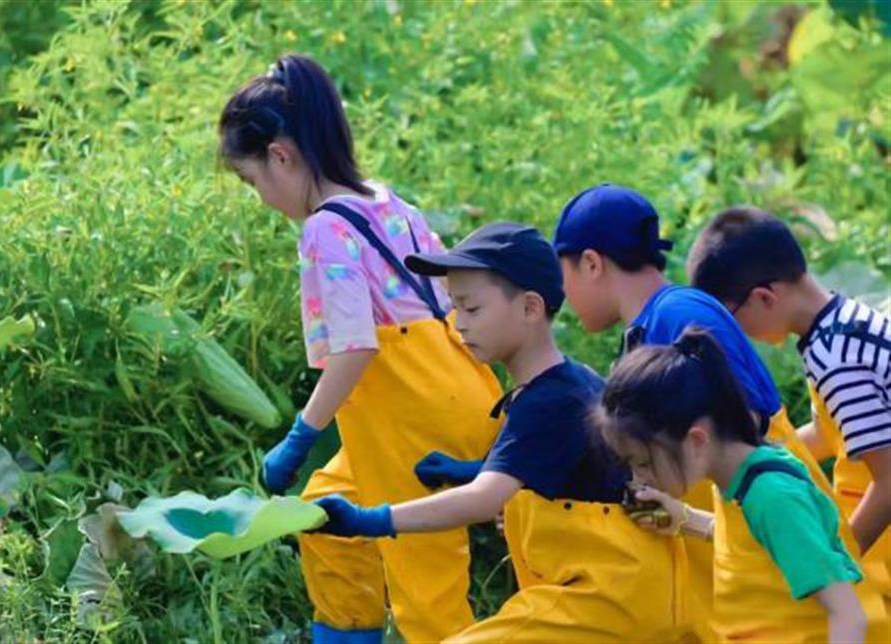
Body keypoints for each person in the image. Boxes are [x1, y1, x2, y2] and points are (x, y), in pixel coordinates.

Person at [218, 54, 502, 643]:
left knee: (426, 590)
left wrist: (300, 436)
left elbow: (355, 350)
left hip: (410, 421)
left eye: (252, 182)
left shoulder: (326, 229)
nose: (260, 197)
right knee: (326, 516)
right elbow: (454, 298)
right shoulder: (388, 203)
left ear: (281, 156)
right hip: (455, 392)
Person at [313, 223, 694, 642]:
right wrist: (471, 470)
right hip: (634, 591)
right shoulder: (571, 383)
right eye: (454, 308)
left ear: (530, 308)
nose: (458, 323)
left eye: (472, 308)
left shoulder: (546, 401)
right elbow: (570, 471)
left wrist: (370, 519)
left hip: (606, 597)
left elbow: (483, 501)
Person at [595, 327, 868, 643]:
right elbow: (755, 546)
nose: (638, 477)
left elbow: (848, 615)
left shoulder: (772, 496)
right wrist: (682, 519)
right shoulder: (734, 478)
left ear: (696, 440)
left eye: (643, 462)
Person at [687, 206, 891, 619]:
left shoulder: (836, 358)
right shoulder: (841, 325)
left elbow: (889, 480)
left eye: (734, 320)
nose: (739, 337)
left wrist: (840, 564)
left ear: (764, 297)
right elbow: (828, 431)